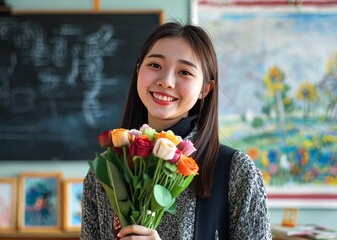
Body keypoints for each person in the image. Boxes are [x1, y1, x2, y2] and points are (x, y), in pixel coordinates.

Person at [81, 21, 272, 240]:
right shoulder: (104, 172)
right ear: (138, 70)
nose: (166, 81)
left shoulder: (236, 171)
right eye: (155, 65)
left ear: (205, 88)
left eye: (184, 72)